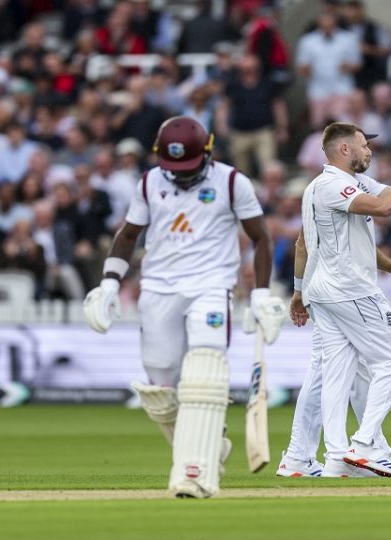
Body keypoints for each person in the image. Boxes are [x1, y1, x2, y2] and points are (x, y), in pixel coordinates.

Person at [82, 116, 286, 498]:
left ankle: (196, 472)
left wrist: (260, 294)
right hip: (158, 289)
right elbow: (128, 235)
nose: (181, 177)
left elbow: (260, 237)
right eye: (173, 169)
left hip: (211, 285)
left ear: (208, 151)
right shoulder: (148, 182)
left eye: (188, 168)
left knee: (203, 373)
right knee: (159, 390)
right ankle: (212, 443)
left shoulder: (230, 181)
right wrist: (109, 284)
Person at [295, 122, 391, 477]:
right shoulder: (332, 186)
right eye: (363, 145)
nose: (370, 150)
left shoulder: (340, 183)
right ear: (344, 150)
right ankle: (365, 444)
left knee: (338, 371)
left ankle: (337, 457)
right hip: (350, 289)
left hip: (324, 292)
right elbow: (387, 207)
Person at [278, 238, 391, 478]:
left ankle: (308, 455)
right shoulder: (344, 200)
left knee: (337, 369)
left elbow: (304, 244)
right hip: (342, 290)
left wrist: (299, 289)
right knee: (386, 363)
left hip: (321, 290)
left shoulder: (313, 201)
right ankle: (356, 448)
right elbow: (378, 214)